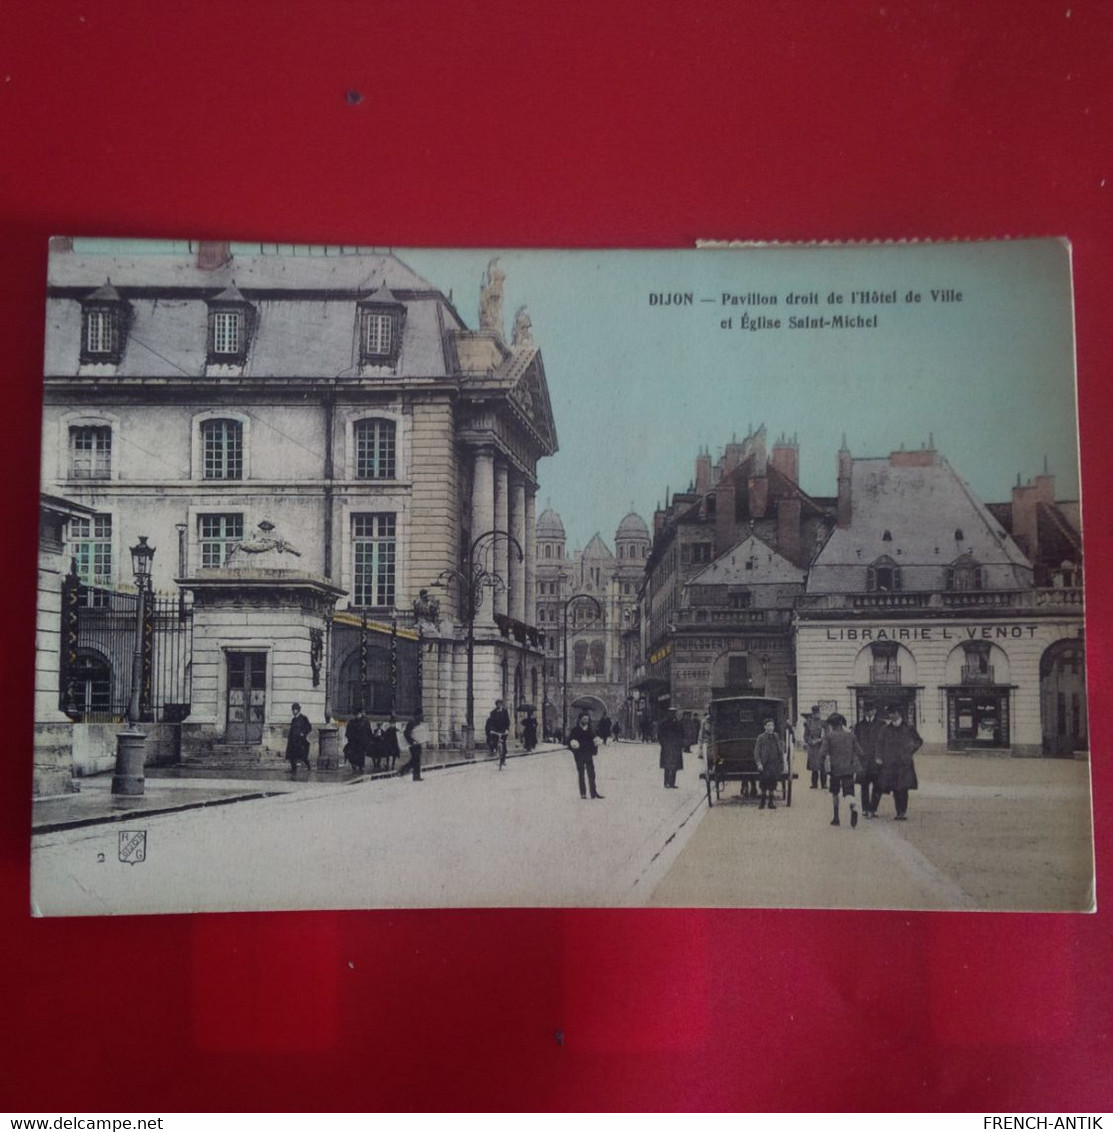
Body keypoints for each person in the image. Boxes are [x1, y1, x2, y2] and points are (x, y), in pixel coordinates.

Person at [819, 713, 865, 827]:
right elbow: (860, 752)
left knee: (835, 793)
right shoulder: (851, 736)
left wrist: (822, 764)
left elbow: (822, 753)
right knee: (849, 792)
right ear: (841, 723)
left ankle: (836, 818)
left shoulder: (828, 736)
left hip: (835, 769)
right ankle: (853, 806)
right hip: (849, 769)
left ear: (831, 725)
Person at [878, 705, 923, 820]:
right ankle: (899, 811)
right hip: (891, 763)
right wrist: (880, 757)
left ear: (898, 713)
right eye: (889, 713)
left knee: (903, 788)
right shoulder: (886, 729)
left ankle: (902, 811)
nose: (890, 716)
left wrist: (911, 750)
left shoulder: (908, 727)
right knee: (895, 788)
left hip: (904, 763)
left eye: (892, 713)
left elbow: (919, 741)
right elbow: (880, 744)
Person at [854, 705, 887, 818]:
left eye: (870, 710)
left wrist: (882, 757)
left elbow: (884, 742)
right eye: (866, 710)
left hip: (877, 760)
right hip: (863, 760)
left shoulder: (882, 725)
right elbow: (855, 741)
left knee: (877, 785)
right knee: (864, 785)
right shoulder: (859, 725)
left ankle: (873, 808)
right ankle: (865, 808)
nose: (867, 712)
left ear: (875, 710)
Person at [568, 711, 603, 799]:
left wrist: (596, 741)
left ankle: (593, 792)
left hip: (588, 753)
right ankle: (583, 793)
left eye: (587, 719)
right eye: (584, 719)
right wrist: (574, 744)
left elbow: (594, 738)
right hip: (579, 754)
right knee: (581, 773)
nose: (586, 721)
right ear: (580, 720)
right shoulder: (575, 730)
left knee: (591, 773)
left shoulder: (590, 730)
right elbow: (570, 740)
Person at [753, 718, 786, 810]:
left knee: (773, 782)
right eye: (768, 726)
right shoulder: (761, 737)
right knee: (763, 782)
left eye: (772, 725)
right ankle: (762, 801)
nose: (770, 728)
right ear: (765, 727)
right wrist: (759, 763)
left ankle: (771, 802)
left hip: (774, 763)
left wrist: (782, 762)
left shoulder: (776, 736)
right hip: (764, 764)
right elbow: (756, 751)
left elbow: (780, 749)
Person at [657, 708, 685, 789]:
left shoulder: (678, 723)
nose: (672, 714)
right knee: (667, 766)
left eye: (673, 713)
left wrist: (680, 744)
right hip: (667, 747)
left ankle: (672, 783)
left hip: (675, 747)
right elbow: (660, 735)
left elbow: (682, 735)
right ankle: (666, 782)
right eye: (671, 713)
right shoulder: (664, 723)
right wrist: (663, 743)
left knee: (674, 766)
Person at [398, 710, 427, 781]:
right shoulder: (411, 723)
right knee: (415, 760)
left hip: (417, 744)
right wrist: (412, 741)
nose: (422, 716)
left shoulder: (418, 723)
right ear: (417, 715)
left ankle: (413, 775)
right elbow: (406, 733)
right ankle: (406, 771)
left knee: (416, 760)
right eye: (421, 715)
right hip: (413, 745)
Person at [285, 702, 312, 778]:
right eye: (293, 710)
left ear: (298, 710)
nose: (293, 711)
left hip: (300, 741)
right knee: (292, 756)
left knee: (303, 756)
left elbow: (309, 727)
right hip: (292, 741)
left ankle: (308, 766)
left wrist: (303, 733)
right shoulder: (293, 719)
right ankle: (294, 769)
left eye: (295, 709)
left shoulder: (304, 718)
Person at [803, 705, 827, 789]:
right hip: (813, 748)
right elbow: (805, 736)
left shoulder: (824, 723)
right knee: (814, 766)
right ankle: (814, 784)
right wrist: (811, 741)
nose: (816, 715)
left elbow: (827, 735)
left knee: (822, 766)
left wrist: (820, 740)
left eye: (817, 713)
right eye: (814, 713)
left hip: (821, 747)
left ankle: (824, 784)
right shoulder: (808, 723)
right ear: (812, 714)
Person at [344, 706, 372, 775]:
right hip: (353, 742)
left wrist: (368, 740)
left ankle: (360, 767)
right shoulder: (352, 723)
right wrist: (350, 738)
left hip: (362, 742)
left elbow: (369, 732)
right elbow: (348, 733)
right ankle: (354, 765)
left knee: (361, 755)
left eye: (358, 714)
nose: (357, 716)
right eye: (356, 714)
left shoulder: (365, 722)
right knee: (349, 753)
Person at [485, 699, 511, 767]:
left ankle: (503, 759)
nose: (499, 705)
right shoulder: (493, 713)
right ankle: (496, 751)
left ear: (501, 704)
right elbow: (491, 722)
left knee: (503, 744)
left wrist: (507, 729)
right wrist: (491, 730)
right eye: (497, 704)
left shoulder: (505, 712)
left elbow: (507, 721)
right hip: (495, 730)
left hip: (503, 730)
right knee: (494, 742)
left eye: (500, 704)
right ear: (496, 705)